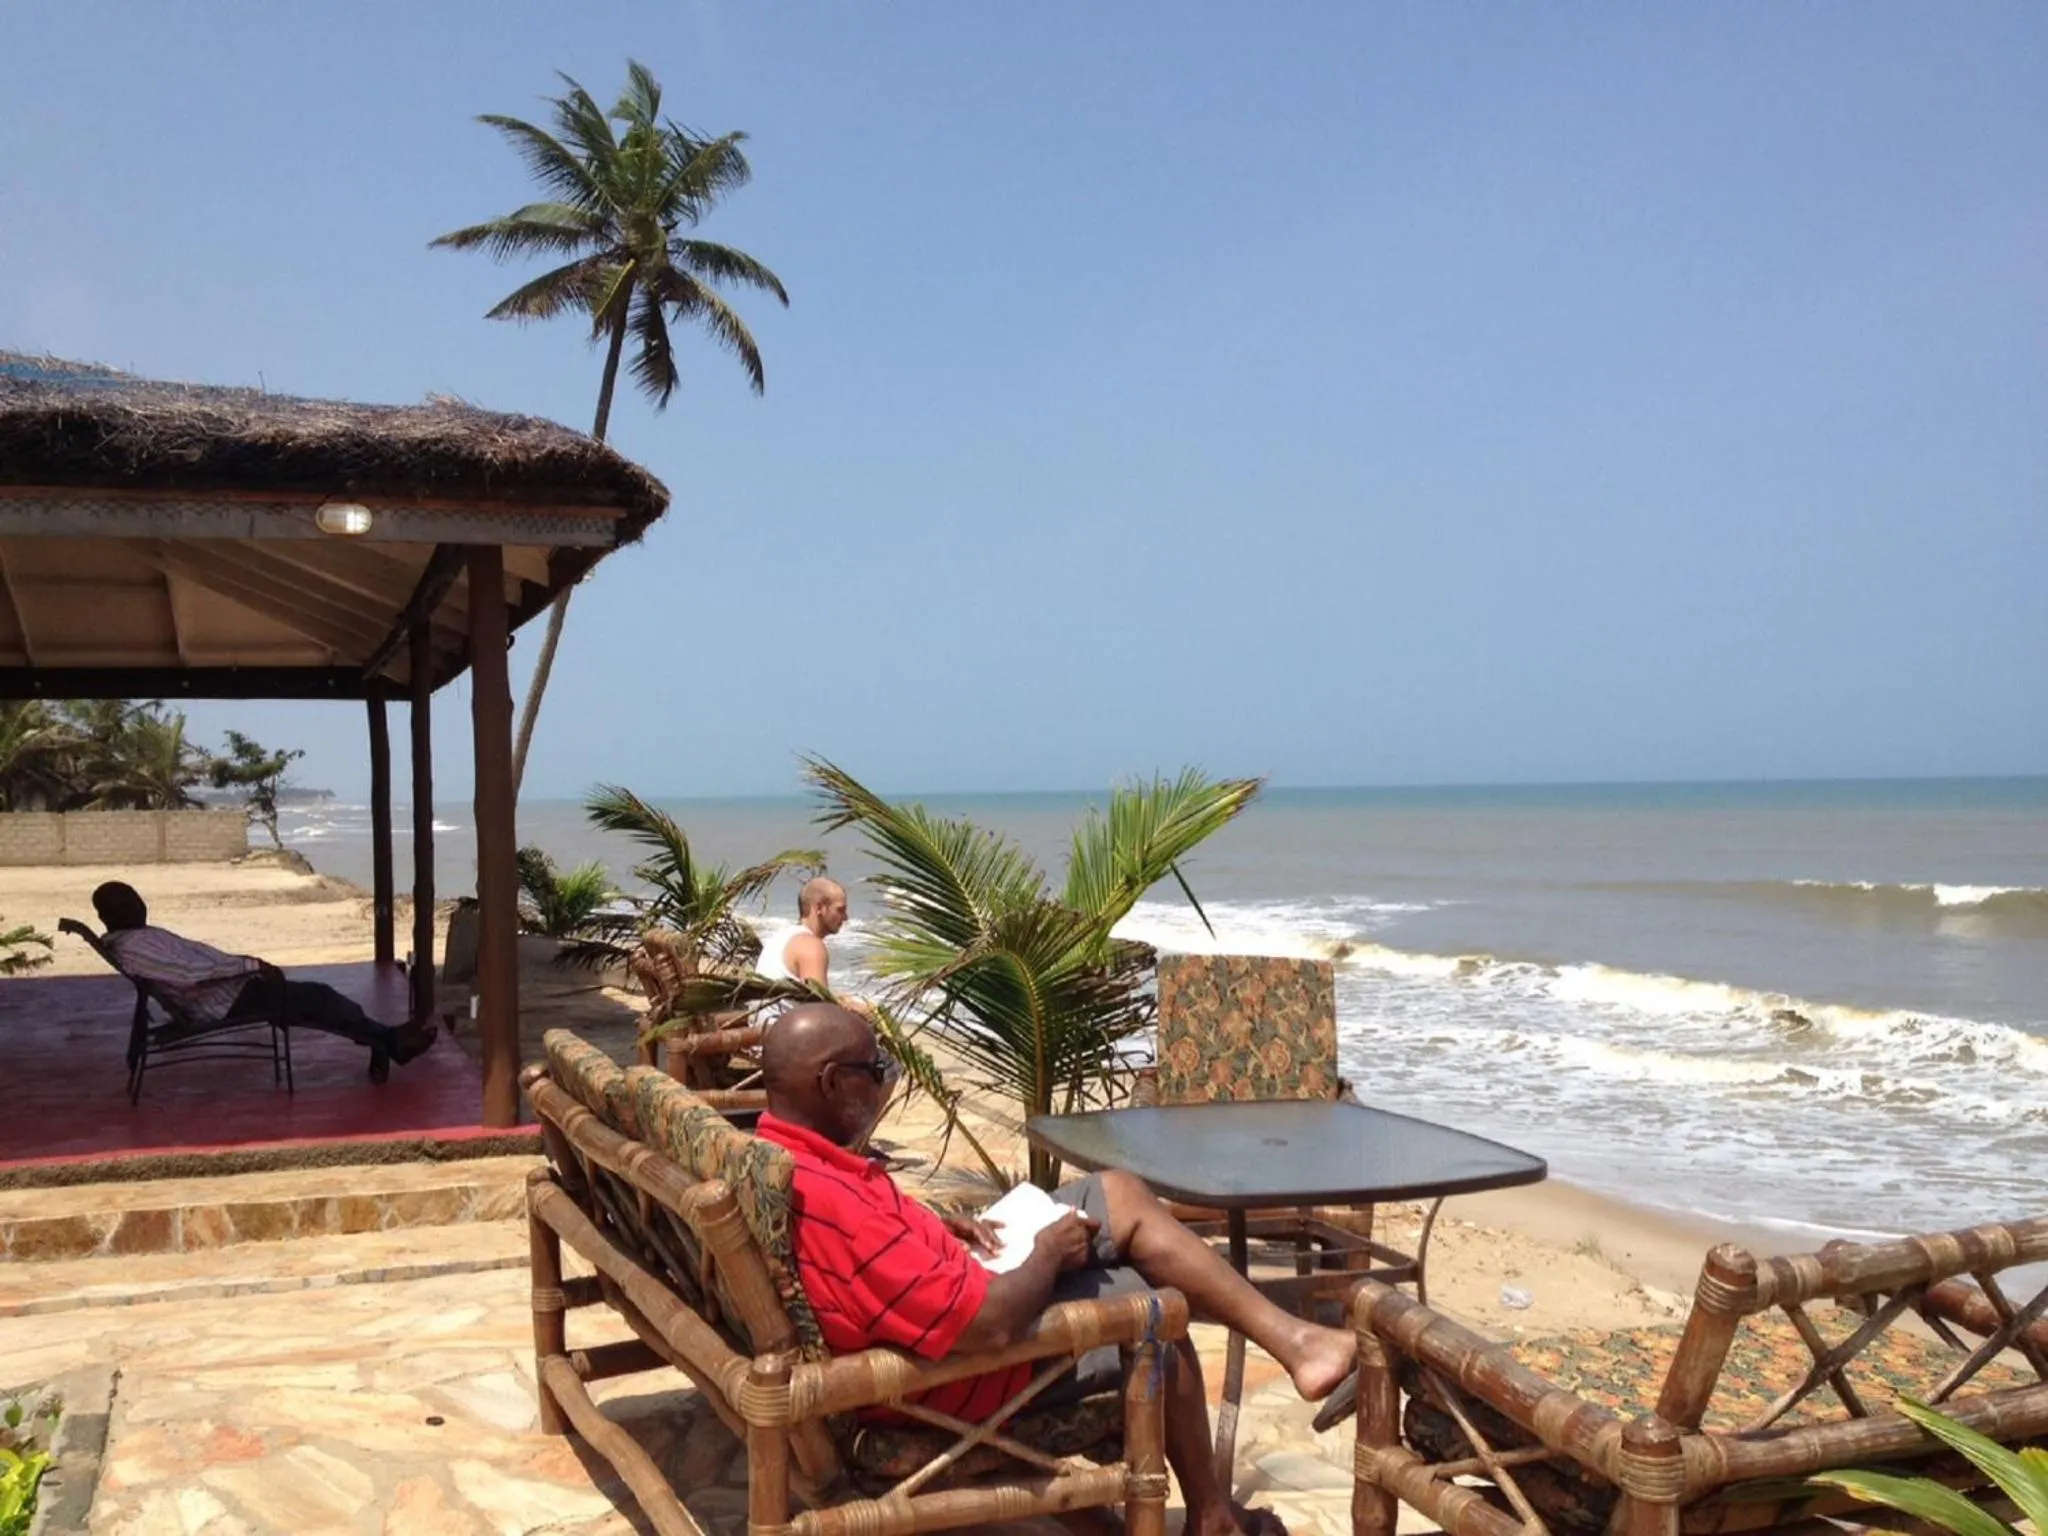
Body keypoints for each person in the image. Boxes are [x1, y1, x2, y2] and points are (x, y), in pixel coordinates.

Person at [756, 1003, 1355, 1536]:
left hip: (943, 1310)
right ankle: (1213, 1513)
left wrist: (936, 1230)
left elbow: (873, 1261)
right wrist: (1047, 1253)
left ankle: (1297, 1344)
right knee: (1149, 1308)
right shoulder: (832, 1207)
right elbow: (988, 1328)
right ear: (832, 1083)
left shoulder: (784, 1155)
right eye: (876, 1070)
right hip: (953, 1380)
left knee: (1118, 1194)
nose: (888, 1081)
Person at [90, 881, 438, 1083]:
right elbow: (187, 975)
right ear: (105, 915)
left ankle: (385, 1040)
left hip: (232, 989)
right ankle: (390, 1042)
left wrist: (244, 966)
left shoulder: (137, 935)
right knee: (318, 1000)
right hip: (225, 1000)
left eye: (135, 897)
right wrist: (250, 965)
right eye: (124, 902)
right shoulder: (133, 945)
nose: (136, 905)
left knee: (317, 1001)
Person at [772, 876, 847, 985]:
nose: (845, 917)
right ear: (819, 908)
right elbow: (819, 1000)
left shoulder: (780, 937)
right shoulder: (810, 946)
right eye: (840, 910)